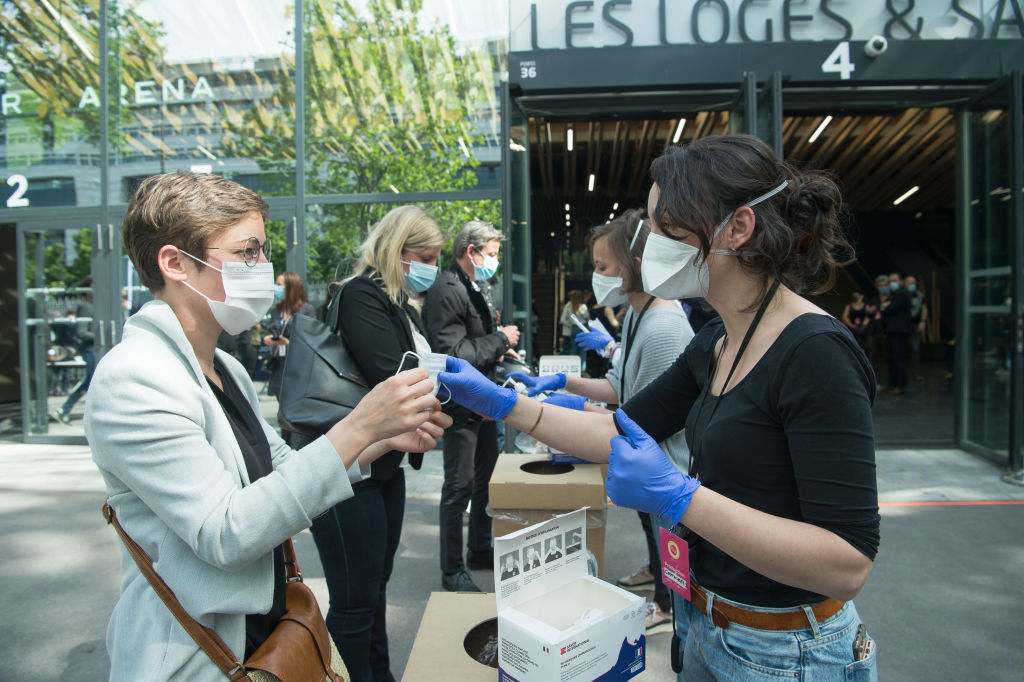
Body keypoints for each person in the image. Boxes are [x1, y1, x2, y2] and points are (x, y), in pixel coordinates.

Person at [437, 135, 879, 679]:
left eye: (667, 229)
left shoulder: (815, 353)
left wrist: (679, 498)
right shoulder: (715, 340)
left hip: (785, 650)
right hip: (705, 621)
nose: (649, 250)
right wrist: (506, 404)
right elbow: (621, 430)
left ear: (738, 228)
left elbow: (847, 562)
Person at [83, 171, 449, 681]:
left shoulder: (224, 368)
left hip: (262, 634)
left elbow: (288, 471)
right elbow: (225, 532)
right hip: (196, 655)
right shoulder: (133, 379)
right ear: (174, 263)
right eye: (247, 252)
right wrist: (358, 426)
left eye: (263, 250)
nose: (264, 268)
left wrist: (376, 439)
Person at [511, 210, 694, 635]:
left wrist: (560, 411)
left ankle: (669, 606)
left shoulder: (664, 327)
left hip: (670, 478)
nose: (597, 277)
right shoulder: (636, 316)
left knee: (680, 577)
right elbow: (618, 385)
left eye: (602, 267)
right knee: (659, 544)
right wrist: (562, 381)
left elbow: (640, 424)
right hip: (651, 475)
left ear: (634, 264)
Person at [290, 205, 444, 682]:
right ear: (397, 252)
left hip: (381, 469)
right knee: (355, 605)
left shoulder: (397, 303)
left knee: (373, 592)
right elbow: (396, 376)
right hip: (346, 473)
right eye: (423, 256)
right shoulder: (362, 295)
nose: (431, 268)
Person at [422, 220, 520, 593]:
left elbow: (471, 341)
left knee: (485, 483)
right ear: (471, 251)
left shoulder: (476, 284)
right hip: (461, 404)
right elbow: (452, 353)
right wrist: (499, 339)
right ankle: (452, 569)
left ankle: (479, 549)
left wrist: (499, 345)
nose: (494, 262)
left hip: (483, 400)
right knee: (458, 487)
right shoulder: (447, 289)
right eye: (491, 255)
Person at [263, 271, 315, 403]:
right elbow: (272, 329)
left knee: (296, 402)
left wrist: (288, 343)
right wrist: (270, 339)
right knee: (281, 400)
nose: (276, 287)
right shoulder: (276, 310)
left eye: (279, 284)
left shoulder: (306, 310)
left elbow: (311, 338)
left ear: (291, 287)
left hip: (297, 363)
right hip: (279, 362)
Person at [50, 276, 95, 425]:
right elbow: (81, 332)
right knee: (90, 382)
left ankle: (65, 410)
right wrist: (101, 336)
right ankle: (64, 409)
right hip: (91, 350)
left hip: (97, 349)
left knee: (91, 382)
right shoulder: (86, 306)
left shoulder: (95, 305)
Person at [881, 272, 911, 396]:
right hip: (892, 330)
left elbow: (889, 308)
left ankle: (900, 386)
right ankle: (893, 384)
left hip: (899, 330)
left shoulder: (902, 294)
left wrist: (886, 306)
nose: (892, 283)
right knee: (891, 358)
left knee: (899, 358)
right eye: (890, 281)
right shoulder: (893, 294)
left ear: (901, 281)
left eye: (895, 280)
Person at [906, 275, 928, 380]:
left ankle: (915, 372)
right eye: (909, 283)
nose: (911, 285)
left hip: (916, 325)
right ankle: (904, 373)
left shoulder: (920, 295)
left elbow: (924, 308)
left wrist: (923, 321)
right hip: (903, 325)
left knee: (915, 349)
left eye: (913, 283)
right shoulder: (902, 294)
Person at [559, 289, 588, 362]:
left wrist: (571, 324)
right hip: (582, 328)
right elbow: (586, 316)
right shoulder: (583, 306)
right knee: (582, 350)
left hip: (573, 328)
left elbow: (562, 319)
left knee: (573, 349)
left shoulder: (569, 306)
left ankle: (572, 366)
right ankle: (582, 369)